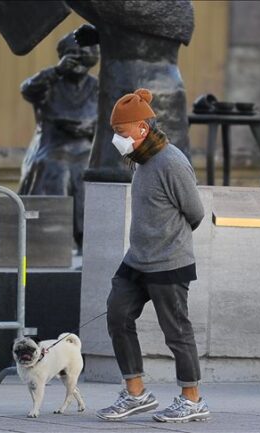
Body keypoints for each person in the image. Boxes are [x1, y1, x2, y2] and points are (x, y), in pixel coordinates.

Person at [96, 89, 209, 423]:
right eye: (115, 132)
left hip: (169, 263)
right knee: (117, 314)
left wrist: (168, 240)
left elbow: (195, 211)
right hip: (136, 261)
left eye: (121, 132)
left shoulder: (171, 161)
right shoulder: (141, 159)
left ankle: (192, 399)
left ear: (142, 129)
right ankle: (136, 393)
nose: (117, 139)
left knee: (176, 332)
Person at [17, 30, 99, 251]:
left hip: (85, 148)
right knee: (56, 168)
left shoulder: (98, 87)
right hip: (52, 147)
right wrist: (56, 71)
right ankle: (52, 238)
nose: (80, 58)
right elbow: (27, 89)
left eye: (86, 53)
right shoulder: (50, 82)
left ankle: (86, 239)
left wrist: (89, 126)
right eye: (73, 54)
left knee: (88, 171)